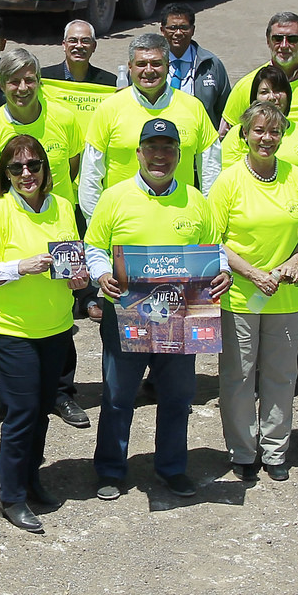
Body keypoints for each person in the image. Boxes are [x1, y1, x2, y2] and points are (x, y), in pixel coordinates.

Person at [86, 118, 226, 499]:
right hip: (126, 314)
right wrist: (102, 274)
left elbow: (214, 249)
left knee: (178, 397)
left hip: (180, 317)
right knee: (118, 395)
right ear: (138, 153)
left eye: (168, 148)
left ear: (180, 154)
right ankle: (110, 470)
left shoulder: (196, 201)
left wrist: (224, 272)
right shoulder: (114, 197)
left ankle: (172, 467)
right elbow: (94, 246)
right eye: (152, 148)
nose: (159, 156)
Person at [0, 135, 88, 532]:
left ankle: (31, 478)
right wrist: (19, 267)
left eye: (34, 165)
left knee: (41, 411)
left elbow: (72, 258)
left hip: (55, 326)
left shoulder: (63, 207)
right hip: (11, 330)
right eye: (16, 167)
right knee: (21, 413)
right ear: (5, 174)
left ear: (45, 168)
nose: (27, 174)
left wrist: (78, 279)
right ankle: (11, 496)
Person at [0, 46, 90, 430]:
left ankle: (62, 392)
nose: (22, 87)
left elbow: (74, 168)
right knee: (14, 310)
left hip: (58, 221)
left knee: (61, 310)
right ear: (1, 85)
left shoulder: (65, 118)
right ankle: (13, 395)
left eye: (29, 79)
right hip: (13, 224)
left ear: (40, 81)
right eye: (13, 81)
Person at [211, 104, 298, 482]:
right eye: (258, 131)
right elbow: (215, 240)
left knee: (281, 376)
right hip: (241, 296)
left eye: (274, 132)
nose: (266, 138)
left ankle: (275, 450)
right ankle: (243, 451)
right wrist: (253, 273)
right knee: (239, 377)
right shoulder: (228, 181)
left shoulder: (296, 177)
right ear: (244, 134)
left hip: (286, 296)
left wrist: (296, 259)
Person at [78, 33, 219, 217]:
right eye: (141, 64)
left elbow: (211, 169)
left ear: (168, 66)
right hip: (124, 220)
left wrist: (207, 216)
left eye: (156, 63)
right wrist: (95, 220)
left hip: (180, 218)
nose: (149, 70)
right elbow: (91, 173)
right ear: (130, 67)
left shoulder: (193, 107)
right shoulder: (109, 108)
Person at [223, 11, 298, 133]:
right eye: (277, 39)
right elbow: (227, 136)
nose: (284, 45)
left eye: (292, 39)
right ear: (268, 41)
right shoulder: (246, 86)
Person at [119, 4, 232, 127]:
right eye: (173, 28)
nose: (178, 33)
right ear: (162, 30)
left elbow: (225, 109)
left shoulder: (211, 65)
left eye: (184, 27)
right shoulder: (144, 66)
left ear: (193, 30)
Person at [209, 65, 298, 169]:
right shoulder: (237, 133)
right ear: (255, 98)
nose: (272, 97)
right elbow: (221, 169)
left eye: (278, 90)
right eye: (264, 92)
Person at [43, 20, 118, 87]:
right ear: (64, 45)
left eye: (85, 41)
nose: (79, 46)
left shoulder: (110, 82)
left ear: (94, 46)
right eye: (73, 40)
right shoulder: (44, 79)